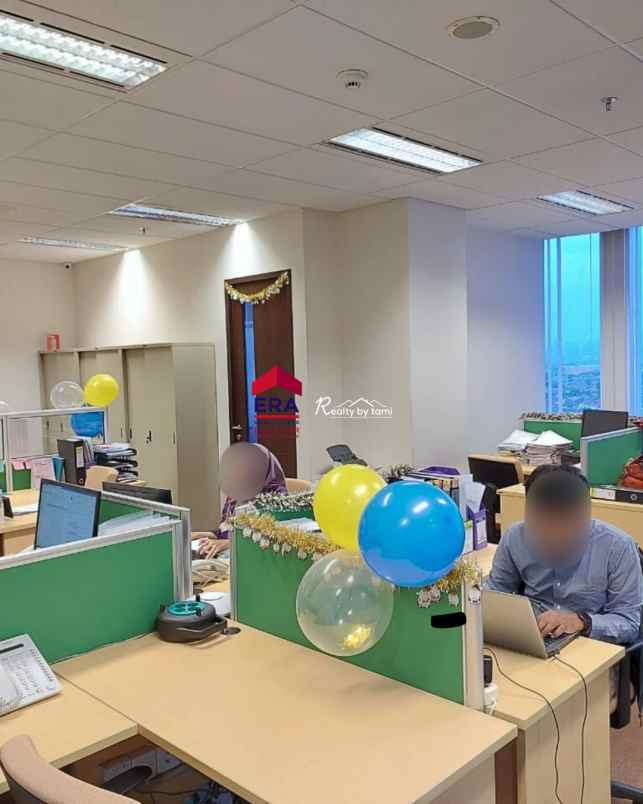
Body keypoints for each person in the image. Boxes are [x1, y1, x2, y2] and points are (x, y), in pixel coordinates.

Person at [487, 464, 642, 644]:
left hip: (591, 644)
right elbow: (493, 596)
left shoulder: (618, 547)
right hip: (534, 638)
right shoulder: (515, 537)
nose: (555, 538)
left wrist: (582, 622)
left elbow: (629, 623)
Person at [194, 443, 287, 558]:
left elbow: (269, 542)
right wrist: (199, 535)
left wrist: (229, 544)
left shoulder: (278, 499)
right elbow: (224, 532)